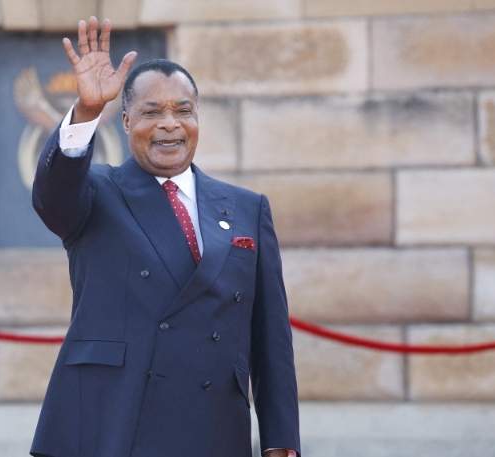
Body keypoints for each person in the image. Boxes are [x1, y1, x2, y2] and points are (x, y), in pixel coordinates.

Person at [30, 16, 300, 457]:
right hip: (112, 425)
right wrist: (85, 113)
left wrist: (281, 441)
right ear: (125, 120)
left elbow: (270, 340)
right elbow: (52, 197)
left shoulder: (248, 208)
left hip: (215, 429)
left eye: (183, 110)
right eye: (152, 112)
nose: (170, 125)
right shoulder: (96, 192)